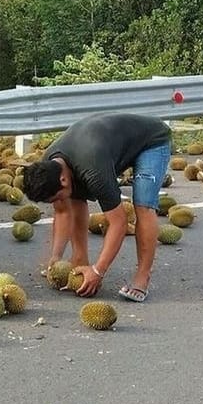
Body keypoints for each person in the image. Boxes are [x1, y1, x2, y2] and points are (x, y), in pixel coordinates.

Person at [22, 112, 172, 303]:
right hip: (110, 143)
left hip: (151, 140)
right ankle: (80, 259)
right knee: (74, 197)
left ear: (63, 179)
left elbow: (118, 223)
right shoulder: (49, 165)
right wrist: (55, 257)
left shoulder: (93, 171)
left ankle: (142, 276)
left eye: (57, 196)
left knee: (143, 204)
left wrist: (98, 271)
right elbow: (63, 211)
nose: (57, 200)